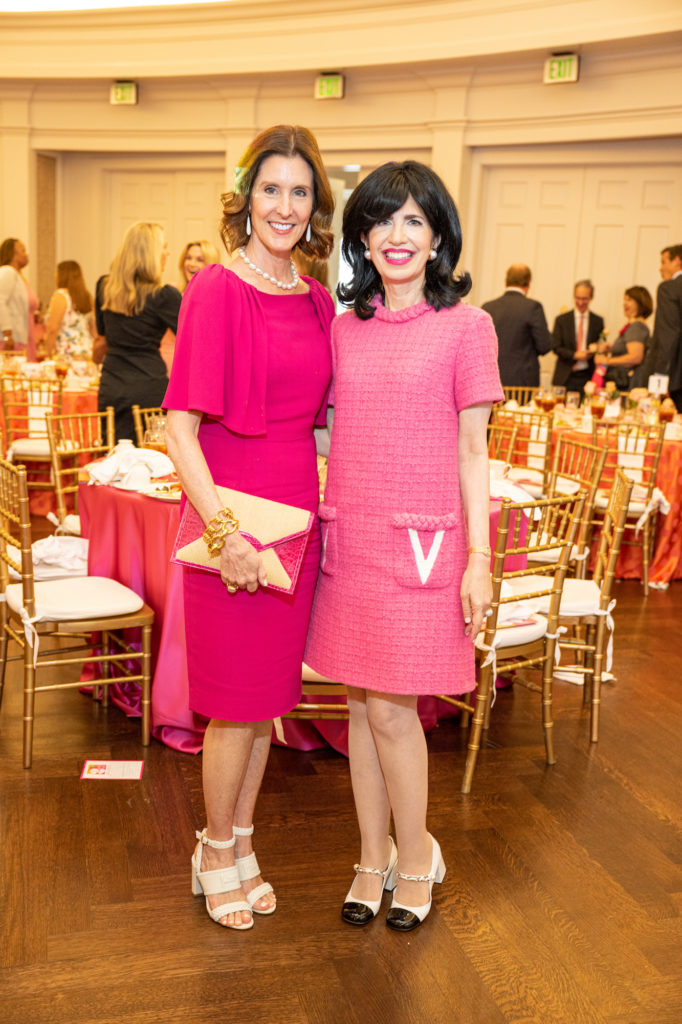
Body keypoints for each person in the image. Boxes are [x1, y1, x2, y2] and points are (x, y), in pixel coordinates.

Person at [305, 161, 503, 931]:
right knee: (358, 705)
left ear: (438, 236)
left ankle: (417, 854)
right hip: (350, 541)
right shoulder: (343, 329)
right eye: (383, 220)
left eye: (414, 221)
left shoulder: (467, 326)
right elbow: (328, 427)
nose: (397, 235)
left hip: (425, 548)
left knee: (393, 712)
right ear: (361, 235)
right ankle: (370, 854)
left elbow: (472, 451)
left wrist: (481, 562)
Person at [163, 125, 335, 931]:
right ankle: (212, 847)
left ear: (315, 207)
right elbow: (179, 429)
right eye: (272, 189)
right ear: (246, 198)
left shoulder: (318, 298)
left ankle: (242, 841)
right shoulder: (215, 291)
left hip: (297, 518)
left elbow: (328, 423)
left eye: (300, 192)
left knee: (268, 698)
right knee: (233, 704)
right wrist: (224, 529)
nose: (285, 206)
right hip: (232, 519)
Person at [97, 222, 181, 441]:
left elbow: (102, 334)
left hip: (112, 384)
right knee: (153, 461)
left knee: (112, 458)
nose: (168, 253)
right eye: (164, 247)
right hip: (148, 386)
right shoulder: (164, 296)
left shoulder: (104, 287)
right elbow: (193, 339)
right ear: (150, 253)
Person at [482, 264, 552, 386]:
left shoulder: (488, 307)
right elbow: (544, 346)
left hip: (490, 378)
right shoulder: (533, 307)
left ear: (506, 281)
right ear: (528, 283)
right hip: (522, 382)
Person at [593, 286, 652, 391]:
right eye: (624, 299)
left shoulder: (637, 326)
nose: (625, 303)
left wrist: (606, 360)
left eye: (629, 300)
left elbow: (635, 357)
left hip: (627, 384)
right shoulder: (635, 326)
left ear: (640, 302)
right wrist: (612, 349)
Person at [551, 279, 604, 394]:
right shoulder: (562, 320)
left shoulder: (598, 321)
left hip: (587, 376)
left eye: (584, 299)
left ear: (591, 298)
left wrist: (596, 349)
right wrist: (575, 355)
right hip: (565, 375)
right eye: (577, 298)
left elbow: (600, 347)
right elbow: (556, 347)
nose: (580, 302)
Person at [650, 244, 682, 411]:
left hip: (677, 374)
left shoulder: (669, 288)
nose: (660, 268)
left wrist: (660, 375)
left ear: (677, 261)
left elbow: (669, 332)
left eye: (664, 262)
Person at [44, 260, 95, 362]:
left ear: (63, 275)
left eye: (57, 272)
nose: (55, 275)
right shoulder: (87, 296)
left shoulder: (61, 295)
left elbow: (52, 329)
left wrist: (48, 355)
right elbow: (93, 328)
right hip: (86, 352)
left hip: (66, 354)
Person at [0, 237, 38, 358]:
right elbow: (0, 300)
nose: (26, 255)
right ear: (13, 254)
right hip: (11, 340)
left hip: (24, 337)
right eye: (23, 251)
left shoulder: (18, 277)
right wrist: (7, 335)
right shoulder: (7, 272)